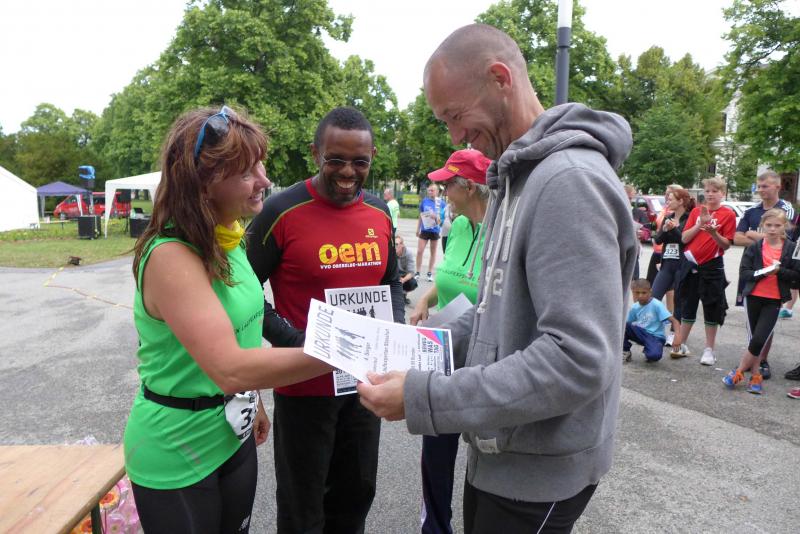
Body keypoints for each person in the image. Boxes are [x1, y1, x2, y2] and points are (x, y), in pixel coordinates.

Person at [357, 23, 637, 533]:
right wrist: (420, 347)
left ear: (500, 78)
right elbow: (495, 311)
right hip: (504, 452)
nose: (454, 136)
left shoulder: (568, 182)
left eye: (455, 115)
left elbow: (577, 359)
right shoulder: (516, 178)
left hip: (538, 472)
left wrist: (426, 397)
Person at [123, 106, 331, 533]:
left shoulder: (228, 237)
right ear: (203, 182)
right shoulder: (170, 255)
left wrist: (255, 400)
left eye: (260, 165)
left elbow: (244, 331)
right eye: (247, 171)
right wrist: (340, 352)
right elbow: (229, 366)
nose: (264, 180)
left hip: (232, 433)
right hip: (177, 451)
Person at [246, 106, 405, 534]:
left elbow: (391, 280)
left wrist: (394, 332)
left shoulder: (379, 212)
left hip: (363, 385)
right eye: (336, 159)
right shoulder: (280, 210)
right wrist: (299, 342)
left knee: (355, 498)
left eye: (360, 162)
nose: (348, 172)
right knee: (302, 508)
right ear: (316, 153)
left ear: (372, 158)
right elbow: (243, 294)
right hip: (304, 386)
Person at [409, 148, 491, 534]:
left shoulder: (503, 233)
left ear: (469, 187)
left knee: (485, 451)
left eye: (447, 186)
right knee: (436, 450)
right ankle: (436, 527)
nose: (442, 193)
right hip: (441, 351)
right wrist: (424, 301)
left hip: (482, 357)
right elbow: (448, 277)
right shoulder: (457, 225)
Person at [724, 209, 800, 394]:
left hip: (774, 300)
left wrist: (779, 271)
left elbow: (797, 276)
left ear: (785, 226)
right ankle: (755, 376)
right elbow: (745, 273)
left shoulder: (791, 248)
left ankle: (739, 371)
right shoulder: (755, 247)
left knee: (760, 338)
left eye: (777, 225)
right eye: (769, 225)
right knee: (754, 340)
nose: (773, 229)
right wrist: (763, 273)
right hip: (753, 297)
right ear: (762, 226)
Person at [733, 170, 796, 378]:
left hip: (776, 285)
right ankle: (752, 363)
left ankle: (762, 361)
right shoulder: (752, 210)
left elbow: (787, 239)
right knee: (753, 325)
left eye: (765, 186)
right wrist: (761, 240)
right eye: (759, 186)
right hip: (754, 274)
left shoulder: (786, 209)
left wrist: (752, 233)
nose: (760, 190)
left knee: (766, 326)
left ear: (777, 186)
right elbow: (737, 238)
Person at [668, 177, 736, 365]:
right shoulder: (696, 211)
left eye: (715, 191)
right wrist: (699, 224)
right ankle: (682, 343)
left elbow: (726, 245)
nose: (710, 194)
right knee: (688, 305)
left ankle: (709, 350)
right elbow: (684, 238)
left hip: (712, 266)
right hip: (691, 264)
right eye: (707, 191)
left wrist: (713, 232)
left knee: (711, 308)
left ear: (723, 193)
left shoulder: (728, 214)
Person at [651, 188, 695, 348]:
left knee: (678, 301)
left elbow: (684, 240)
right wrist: (665, 230)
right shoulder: (668, 217)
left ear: (681, 201)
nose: (668, 202)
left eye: (670, 199)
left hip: (682, 265)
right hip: (667, 264)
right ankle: (654, 331)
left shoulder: (689, 218)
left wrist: (674, 229)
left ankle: (673, 333)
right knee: (654, 297)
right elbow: (658, 240)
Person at [623, 279, 681, 363]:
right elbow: (628, 324)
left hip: (656, 337)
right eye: (637, 292)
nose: (640, 296)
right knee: (622, 326)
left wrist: (677, 336)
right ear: (633, 292)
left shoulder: (657, 305)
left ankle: (650, 349)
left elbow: (675, 321)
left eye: (644, 293)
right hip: (641, 333)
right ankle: (625, 350)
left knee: (654, 356)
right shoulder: (634, 307)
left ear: (650, 292)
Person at [416, 184, 446, 282]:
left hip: (435, 231)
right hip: (424, 230)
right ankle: (417, 272)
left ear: (437, 191)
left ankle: (429, 273)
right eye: (429, 190)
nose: (430, 192)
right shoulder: (424, 201)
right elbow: (420, 215)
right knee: (420, 251)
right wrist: (418, 229)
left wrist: (436, 217)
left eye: (432, 190)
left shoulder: (441, 203)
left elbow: (443, 220)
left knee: (433, 252)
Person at [625, 184, 650, 280]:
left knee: (633, 281)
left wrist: (642, 234)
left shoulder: (638, 213)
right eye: (626, 197)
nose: (627, 200)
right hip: (617, 252)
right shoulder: (615, 211)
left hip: (633, 252)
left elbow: (647, 231)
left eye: (630, 198)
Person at [395, 234, 419, 302]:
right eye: (394, 244)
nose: (394, 247)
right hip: (394, 274)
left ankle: (404, 294)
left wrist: (403, 280)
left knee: (412, 283)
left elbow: (411, 272)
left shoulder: (408, 253)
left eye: (396, 244)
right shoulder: (390, 252)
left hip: (404, 275)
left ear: (402, 245)